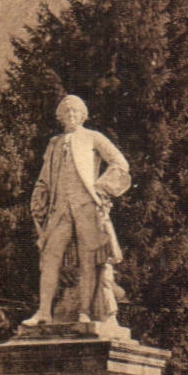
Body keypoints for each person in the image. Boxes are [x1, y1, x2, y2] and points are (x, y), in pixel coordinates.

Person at [22, 95, 130, 327]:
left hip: (86, 207)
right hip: (59, 209)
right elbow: (44, 178)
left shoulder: (93, 138)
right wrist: (39, 196)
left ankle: (84, 312)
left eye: (75, 112)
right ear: (60, 117)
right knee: (50, 256)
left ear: (82, 115)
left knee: (87, 259)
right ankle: (43, 312)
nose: (71, 116)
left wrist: (102, 189)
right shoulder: (54, 143)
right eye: (66, 112)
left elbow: (120, 163)